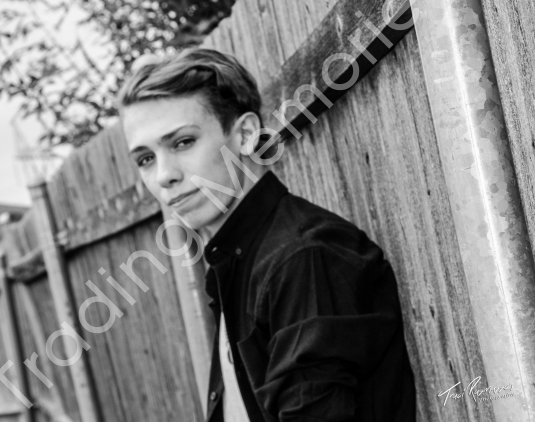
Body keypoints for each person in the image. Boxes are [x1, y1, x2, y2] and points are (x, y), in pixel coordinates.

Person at [118, 48, 416, 422]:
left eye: (182, 142)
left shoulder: (304, 258)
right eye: (146, 159)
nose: (164, 176)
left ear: (244, 135)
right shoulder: (239, 259)